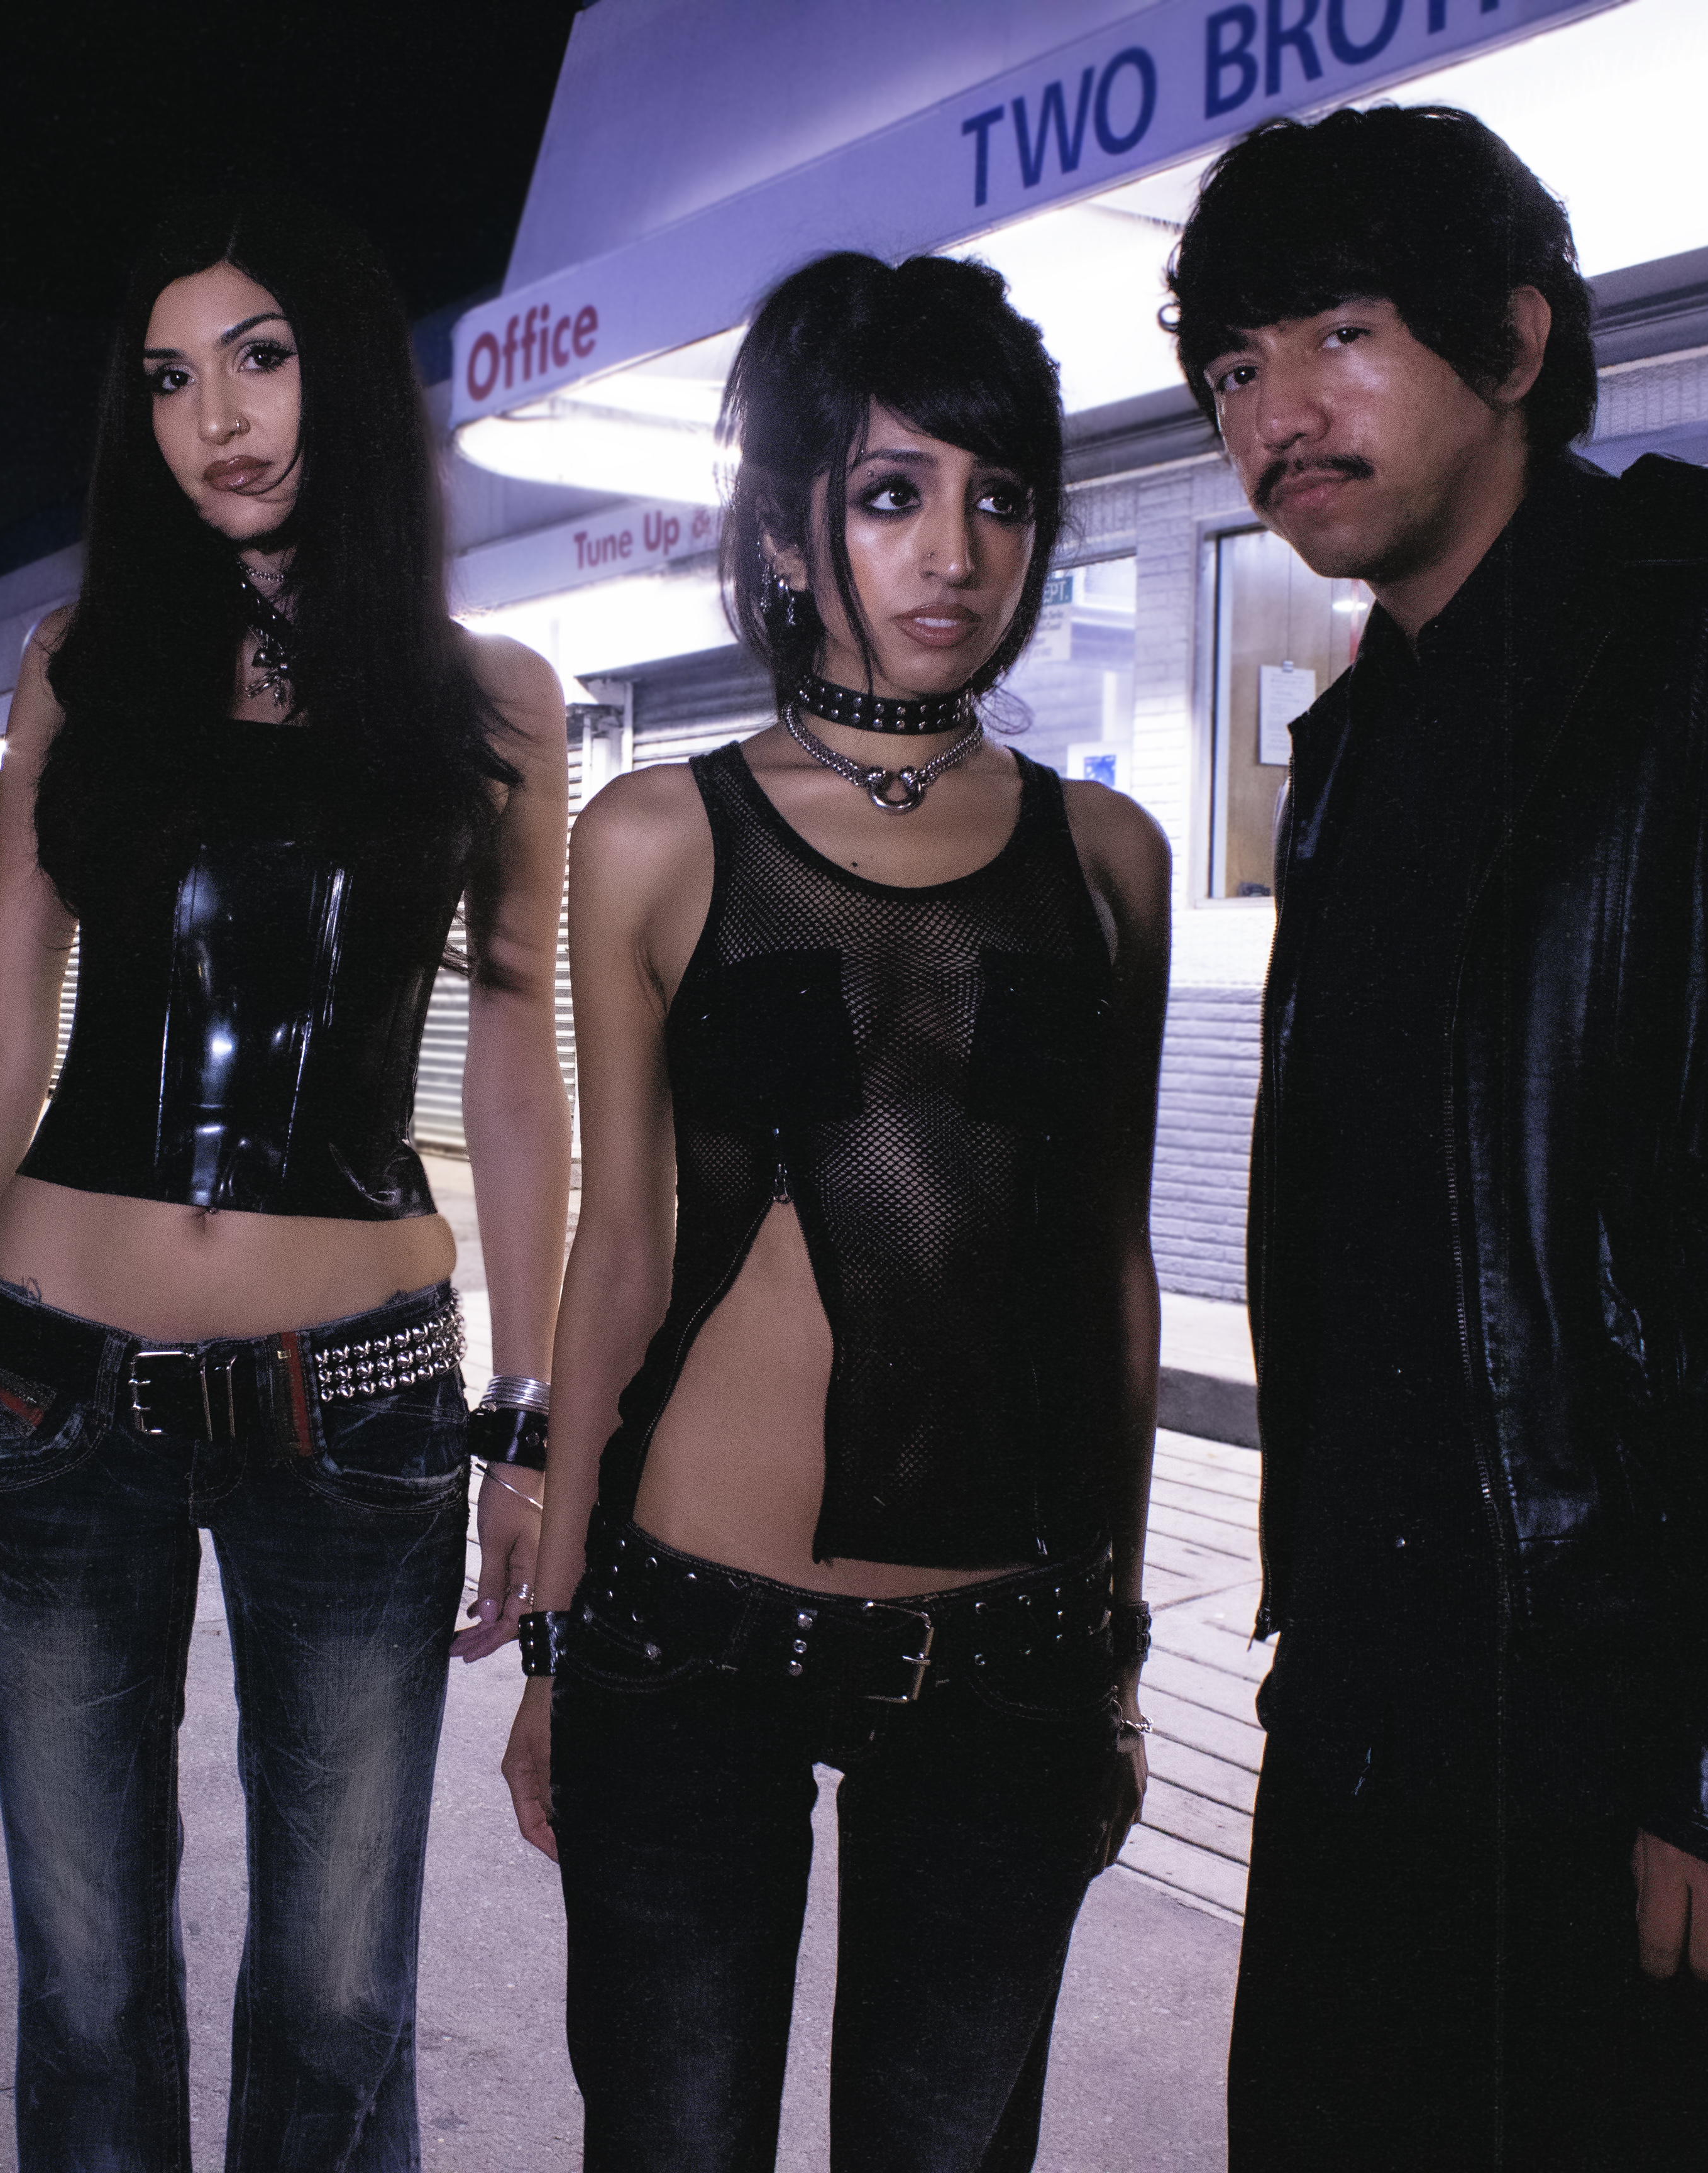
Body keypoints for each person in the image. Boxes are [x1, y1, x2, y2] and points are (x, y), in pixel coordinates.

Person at [1165, 106, 1708, 2169]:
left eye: (1340, 335)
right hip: (1380, 1727)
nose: (1277, 413)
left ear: (1514, 340)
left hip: (1660, 1738)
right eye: (1232, 369)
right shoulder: (1357, 739)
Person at [0, 195, 571, 2171]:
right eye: (171, 379)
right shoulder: (80, 663)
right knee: (84, 1985)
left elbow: (518, 1081)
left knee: (342, 1987)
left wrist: (527, 1433)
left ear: (340, 372)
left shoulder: (494, 695)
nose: (218, 420)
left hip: (358, 1412)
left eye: (259, 357)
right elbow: (5, 1024)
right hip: (50, 1387)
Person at [498, 251, 1171, 2171]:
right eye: (895, 494)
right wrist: (555, 1648)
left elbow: (1108, 1276)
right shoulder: (652, 832)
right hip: (683, 1644)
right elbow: (613, 1263)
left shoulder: (1106, 859)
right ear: (795, 532)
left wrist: (1113, 1657)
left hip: (1008, 1660)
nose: (955, 550)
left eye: (999, 496)